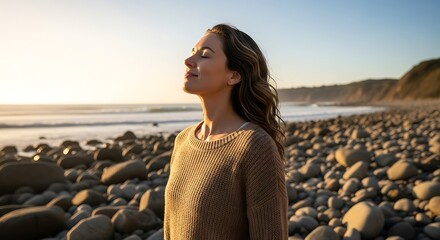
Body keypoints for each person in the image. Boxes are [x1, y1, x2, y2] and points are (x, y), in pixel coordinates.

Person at [164, 23, 288, 240]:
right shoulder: (183, 141)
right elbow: (170, 229)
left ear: (234, 75)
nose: (188, 61)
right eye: (193, 52)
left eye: (205, 55)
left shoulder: (255, 147)